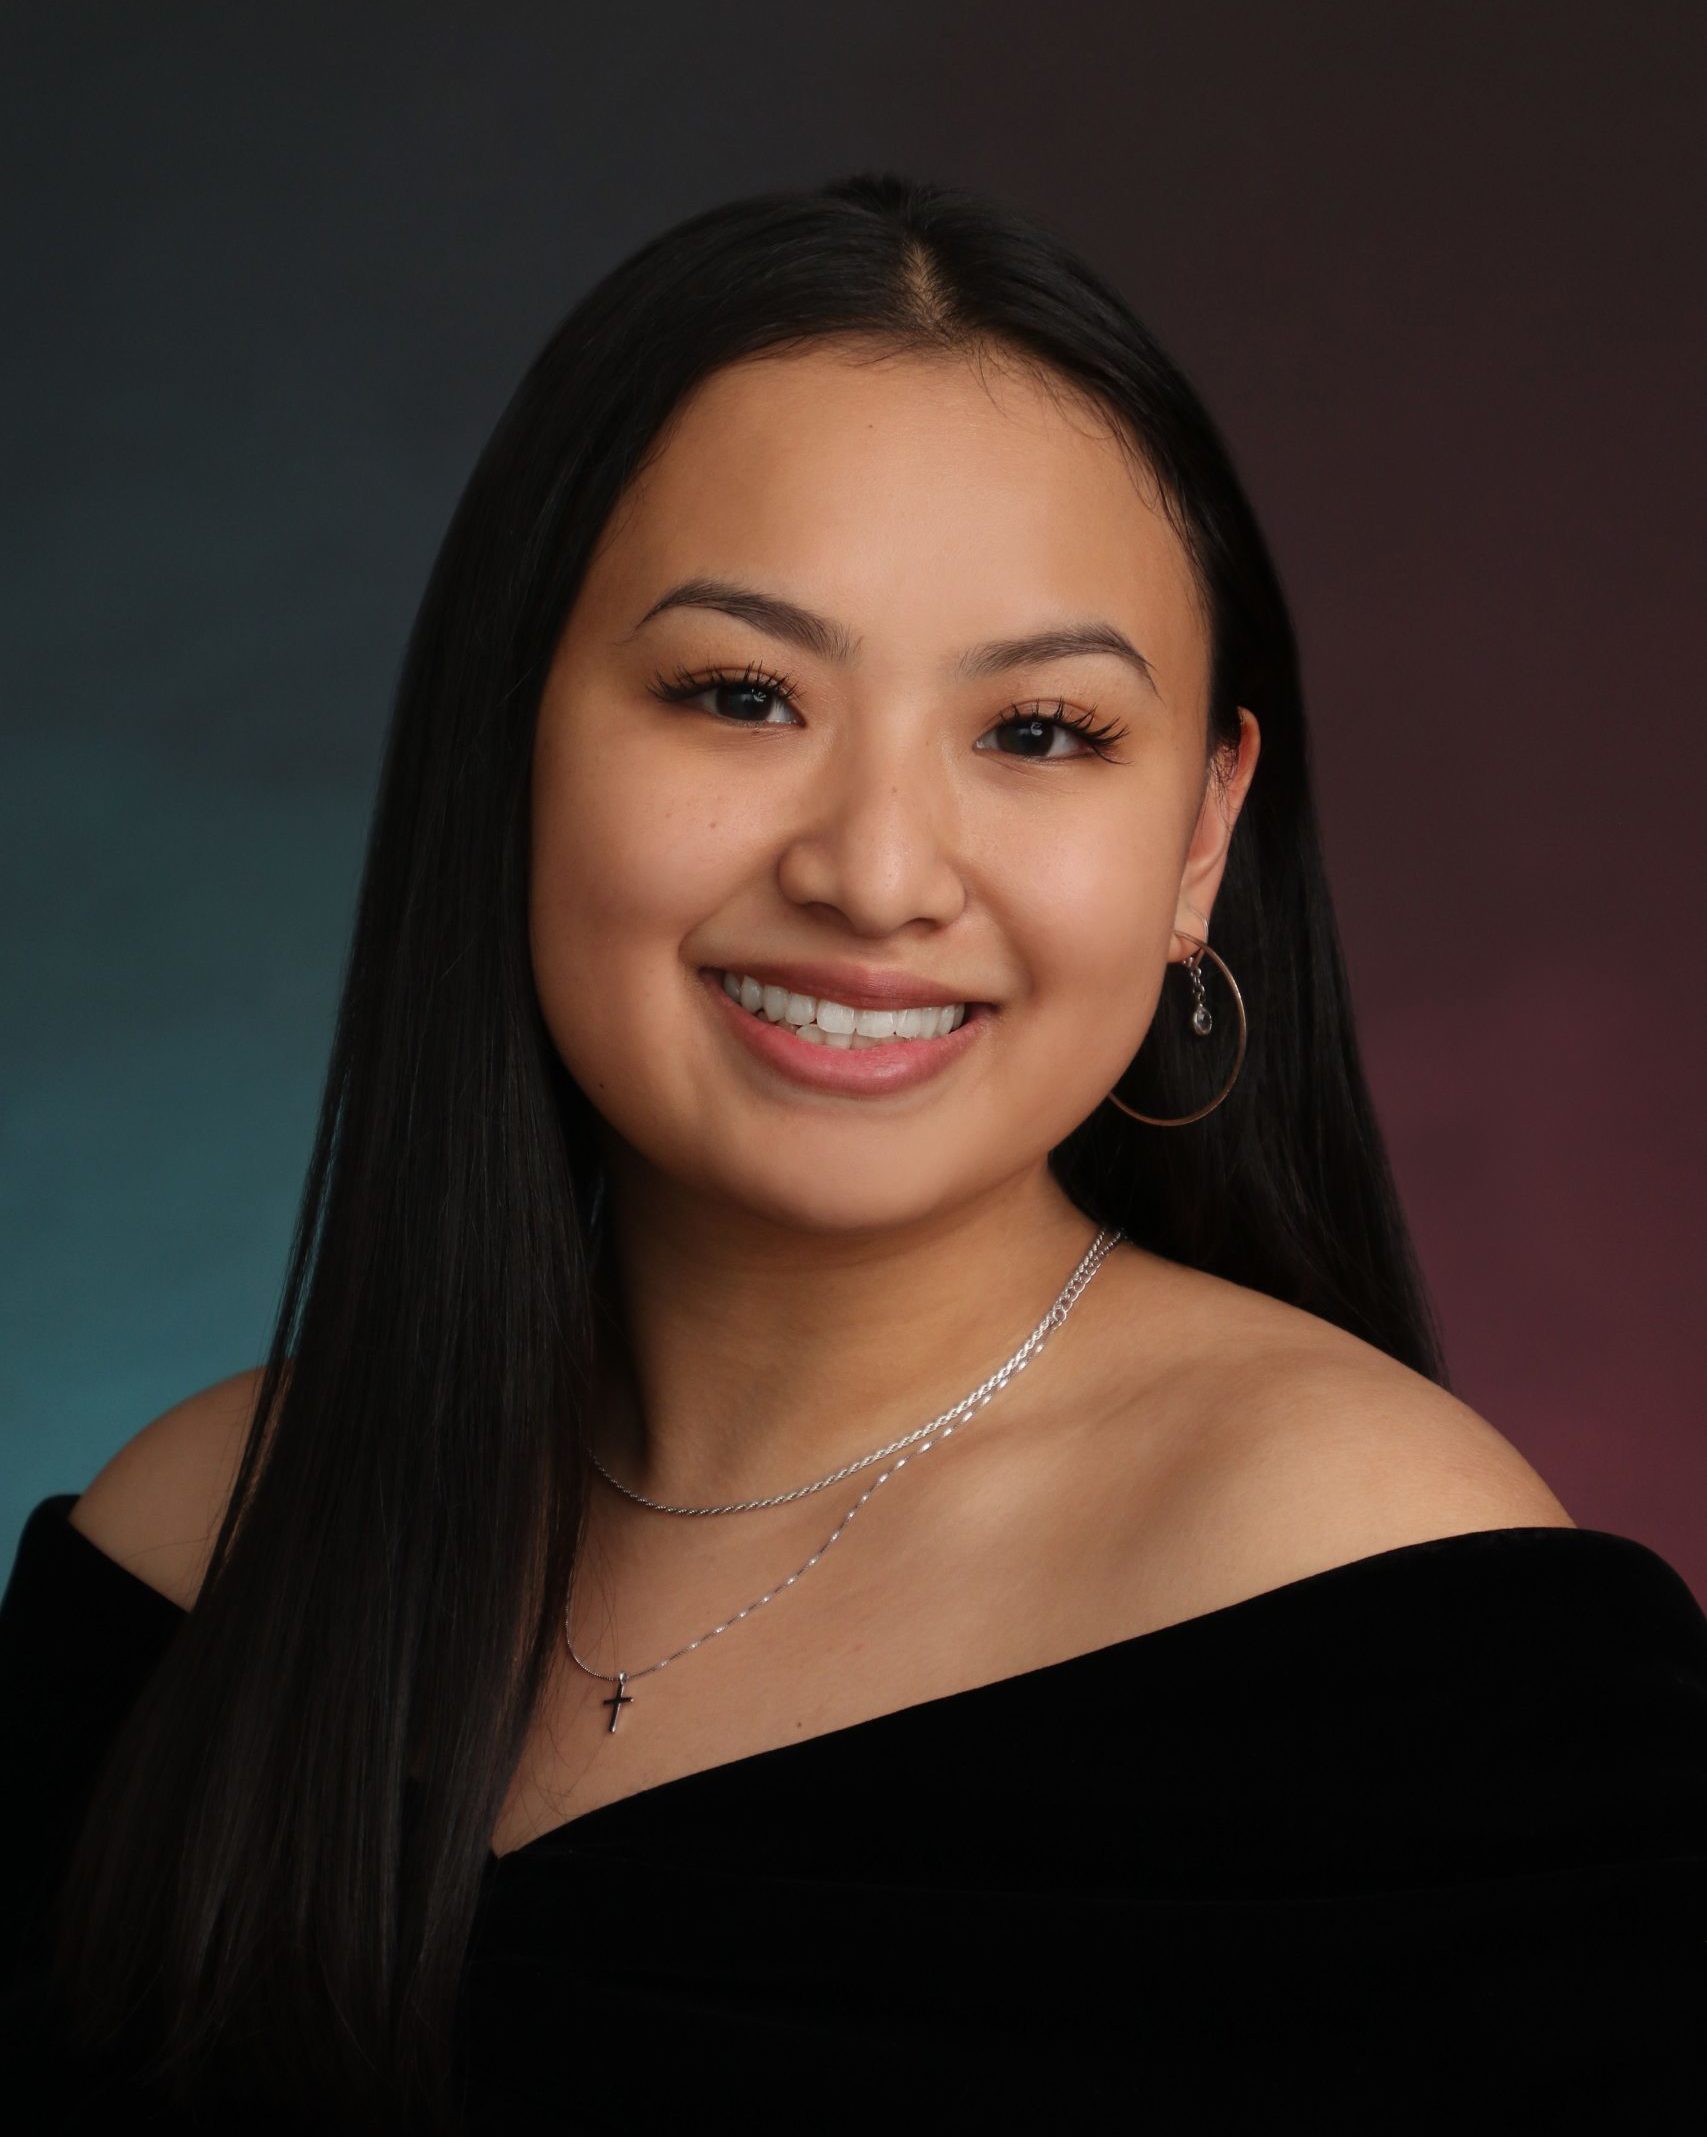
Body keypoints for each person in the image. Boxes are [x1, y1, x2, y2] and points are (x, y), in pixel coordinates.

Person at [3, 169, 1704, 2134]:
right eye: (739, 695)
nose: (874, 871)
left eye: (1043, 732)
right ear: (511, 736)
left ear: (1201, 837)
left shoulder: (1424, 1639)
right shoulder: (186, 1557)